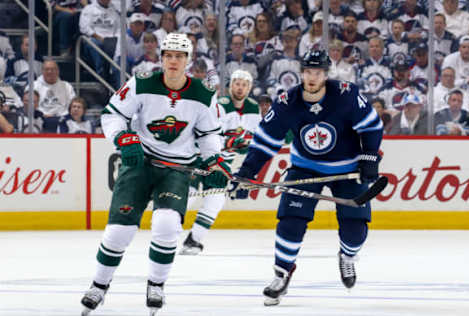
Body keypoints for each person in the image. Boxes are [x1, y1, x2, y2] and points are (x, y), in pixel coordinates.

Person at [80, 32, 229, 316]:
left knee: (166, 225)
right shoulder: (141, 83)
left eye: (179, 56)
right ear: (161, 58)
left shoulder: (203, 95)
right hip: (140, 165)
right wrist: (124, 139)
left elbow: (209, 136)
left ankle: (156, 284)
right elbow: (112, 115)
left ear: (188, 60)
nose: (173, 61)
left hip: (176, 170)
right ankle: (99, 286)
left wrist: (215, 163)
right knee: (117, 232)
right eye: (168, 55)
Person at [229, 49, 384, 306]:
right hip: (305, 167)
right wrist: (247, 173)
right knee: (291, 221)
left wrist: (369, 156)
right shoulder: (287, 102)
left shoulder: (346, 94)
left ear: (326, 74)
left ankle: (347, 257)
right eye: (308, 71)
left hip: (348, 169)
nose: (313, 77)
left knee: (355, 230)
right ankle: (282, 273)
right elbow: (266, 141)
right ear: (301, 73)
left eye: (318, 72)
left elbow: (371, 126)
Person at [180, 69, 261, 255]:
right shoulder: (220, 104)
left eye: (244, 85)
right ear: (230, 85)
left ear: (249, 88)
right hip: (201, 156)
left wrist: (248, 143)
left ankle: (193, 240)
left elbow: (251, 138)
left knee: (215, 199)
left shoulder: (253, 108)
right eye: (237, 84)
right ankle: (168, 231)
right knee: (189, 195)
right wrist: (231, 142)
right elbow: (209, 133)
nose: (240, 88)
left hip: (222, 163)